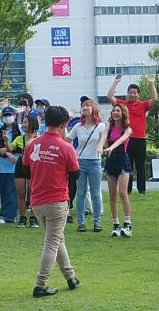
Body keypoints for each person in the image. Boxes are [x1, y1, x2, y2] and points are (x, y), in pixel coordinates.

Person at [22, 106, 80, 298]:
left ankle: (70, 277)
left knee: (56, 238)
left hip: (37, 202)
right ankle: (41, 284)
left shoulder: (32, 144)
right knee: (52, 243)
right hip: (57, 201)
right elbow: (75, 174)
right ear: (64, 124)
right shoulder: (66, 147)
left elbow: (25, 170)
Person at [106, 75, 157, 194]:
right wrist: (115, 82)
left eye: (135, 92)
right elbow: (109, 96)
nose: (133, 94)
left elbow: (154, 99)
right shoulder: (123, 105)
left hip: (139, 139)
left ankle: (141, 190)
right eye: (131, 92)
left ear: (138, 94)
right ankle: (127, 189)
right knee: (127, 165)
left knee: (140, 165)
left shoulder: (143, 105)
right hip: (125, 140)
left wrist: (151, 83)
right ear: (127, 93)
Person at [66, 99, 105, 233]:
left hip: (95, 161)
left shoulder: (100, 126)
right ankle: (81, 222)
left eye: (88, 105)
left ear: (94, 108)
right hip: (80, 162)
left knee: (95, 193)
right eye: (83, 106)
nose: (85, 108)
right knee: (81, 193)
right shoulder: (78, 126)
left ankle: (97, 221)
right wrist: (67, 120)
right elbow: (67, 140)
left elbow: (104, 142)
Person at [98, 103, 134, 237]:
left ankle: (128, 224)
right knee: (112, 195)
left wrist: (111, 148)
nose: (115, 113)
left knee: (123, 193)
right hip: (111, 161)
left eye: (118, 111)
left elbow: (122, 140)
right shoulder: (109, 126)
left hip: (122, 159)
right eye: (114, 111)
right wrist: (100, 147)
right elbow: (103, 138)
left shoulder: (127, 129)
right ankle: (115, 224)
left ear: (123, 113)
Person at [9, 115, 40, 228]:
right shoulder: (19, 138)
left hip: (34, 166)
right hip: (21, 164)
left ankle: (33, 217)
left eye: (26, 122)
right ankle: (22, 217)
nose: (23, 125)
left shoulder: (39, 139)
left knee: (33, 193)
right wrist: (5, 141)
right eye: (23, 122)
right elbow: (9, 148)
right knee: (21, 193)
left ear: (32, 124)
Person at [0, 107, 20, 224]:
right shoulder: (0, 131)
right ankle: (4, 214)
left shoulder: (20, 131)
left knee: (12, 191)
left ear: (14, 116)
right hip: (2, 166)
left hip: (15, 166)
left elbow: (20, 146)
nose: (7, 117)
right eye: (5, 115)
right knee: (3, 191)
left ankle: (10, 215)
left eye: (10, 115)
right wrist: (9, 152)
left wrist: (9, 149)